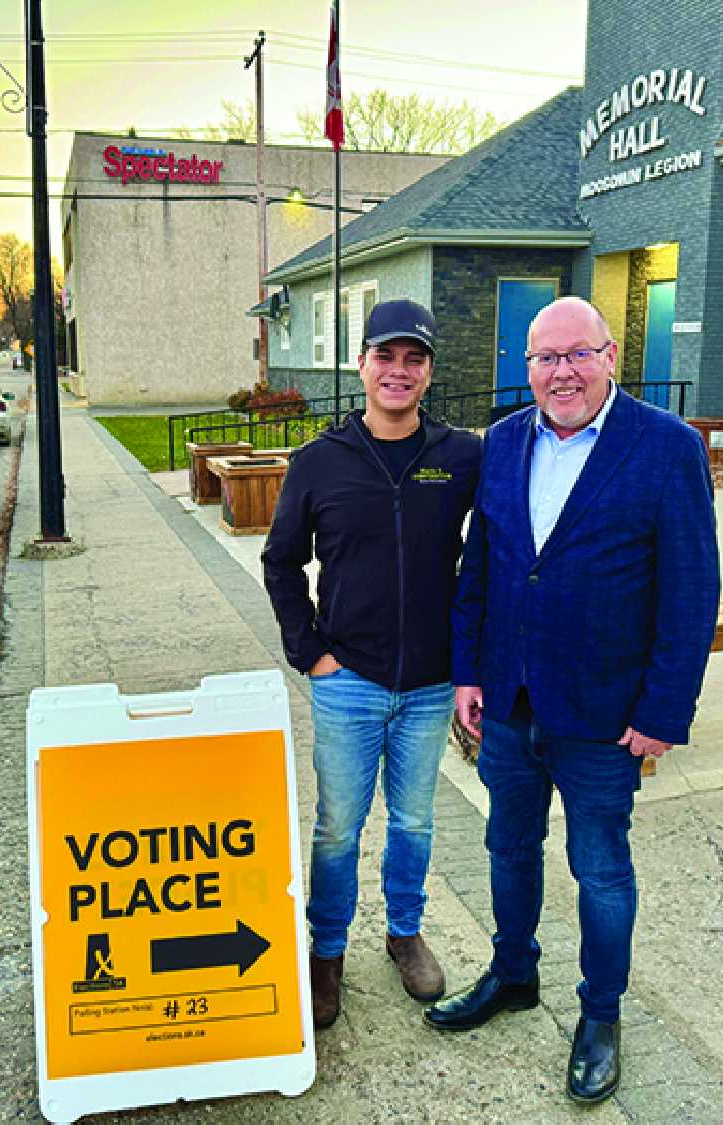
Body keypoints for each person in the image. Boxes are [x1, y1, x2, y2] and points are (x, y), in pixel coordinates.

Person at [425, 297, 720, 1105]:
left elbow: (692, 591)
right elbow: (480, 568)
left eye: (576, 354)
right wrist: (469, 671)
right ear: (527, 368)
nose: (561, 372)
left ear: (611, 355)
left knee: (600, 869)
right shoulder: (505, 441)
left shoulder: (666, 448)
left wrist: (664, 711)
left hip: (605, 715)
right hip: (511, 702)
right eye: (544, 358)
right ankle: (514, 972)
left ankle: (599, 1015)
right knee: (508, 846)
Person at [262, 298, 482, 1030]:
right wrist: (312, 652)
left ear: (428, 371)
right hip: (347, 680)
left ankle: (403, 931)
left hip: (428, 684)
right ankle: (327, 951)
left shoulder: (459, 458)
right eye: (384, 356)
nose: (398, 370)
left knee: (414, 822)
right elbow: (281, 562)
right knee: (338, 826)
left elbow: (500, 542)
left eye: (413, 358)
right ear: (361, 363)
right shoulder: (321, 460)